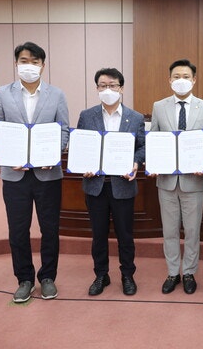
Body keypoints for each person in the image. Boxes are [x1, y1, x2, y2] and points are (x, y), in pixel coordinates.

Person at [0, 41, 69, 303]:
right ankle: (24, 278)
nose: (29, 66)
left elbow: (64, 131)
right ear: (16, 63)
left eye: (35, 62)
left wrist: (53, 154)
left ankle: (47, 278)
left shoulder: (56, 94)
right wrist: (7, 156)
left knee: (50, 228)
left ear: (43, 66)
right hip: (15, 175)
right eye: (25, 60)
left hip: (48, 174)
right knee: (18, 230)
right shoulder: (2, 93)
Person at [150, 59, 203, 294]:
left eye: (186, 76)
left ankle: (188, 272)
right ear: (170, 80)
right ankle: (172, 273)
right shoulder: (159, 106)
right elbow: (154, 138)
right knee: (169, 231)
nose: (181, 80)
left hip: (194, 180)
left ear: (194, 80)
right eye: (176, 76)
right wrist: (154, 160)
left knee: (192, 231)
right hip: (167, 181)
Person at [76, 68, 145, 296]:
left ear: (121, 88)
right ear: (97, 89)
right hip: (95, 185)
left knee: (125, 235)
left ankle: (127, 275)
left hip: (122, 185)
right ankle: (101, 275)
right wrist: (83, 164)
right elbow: (81, 145)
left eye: (113, 85)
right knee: (98, 234)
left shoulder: (134, 118)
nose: (108, 90)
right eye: (103, 85)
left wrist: (135, 162)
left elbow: (142, 146)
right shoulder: (87, 116)